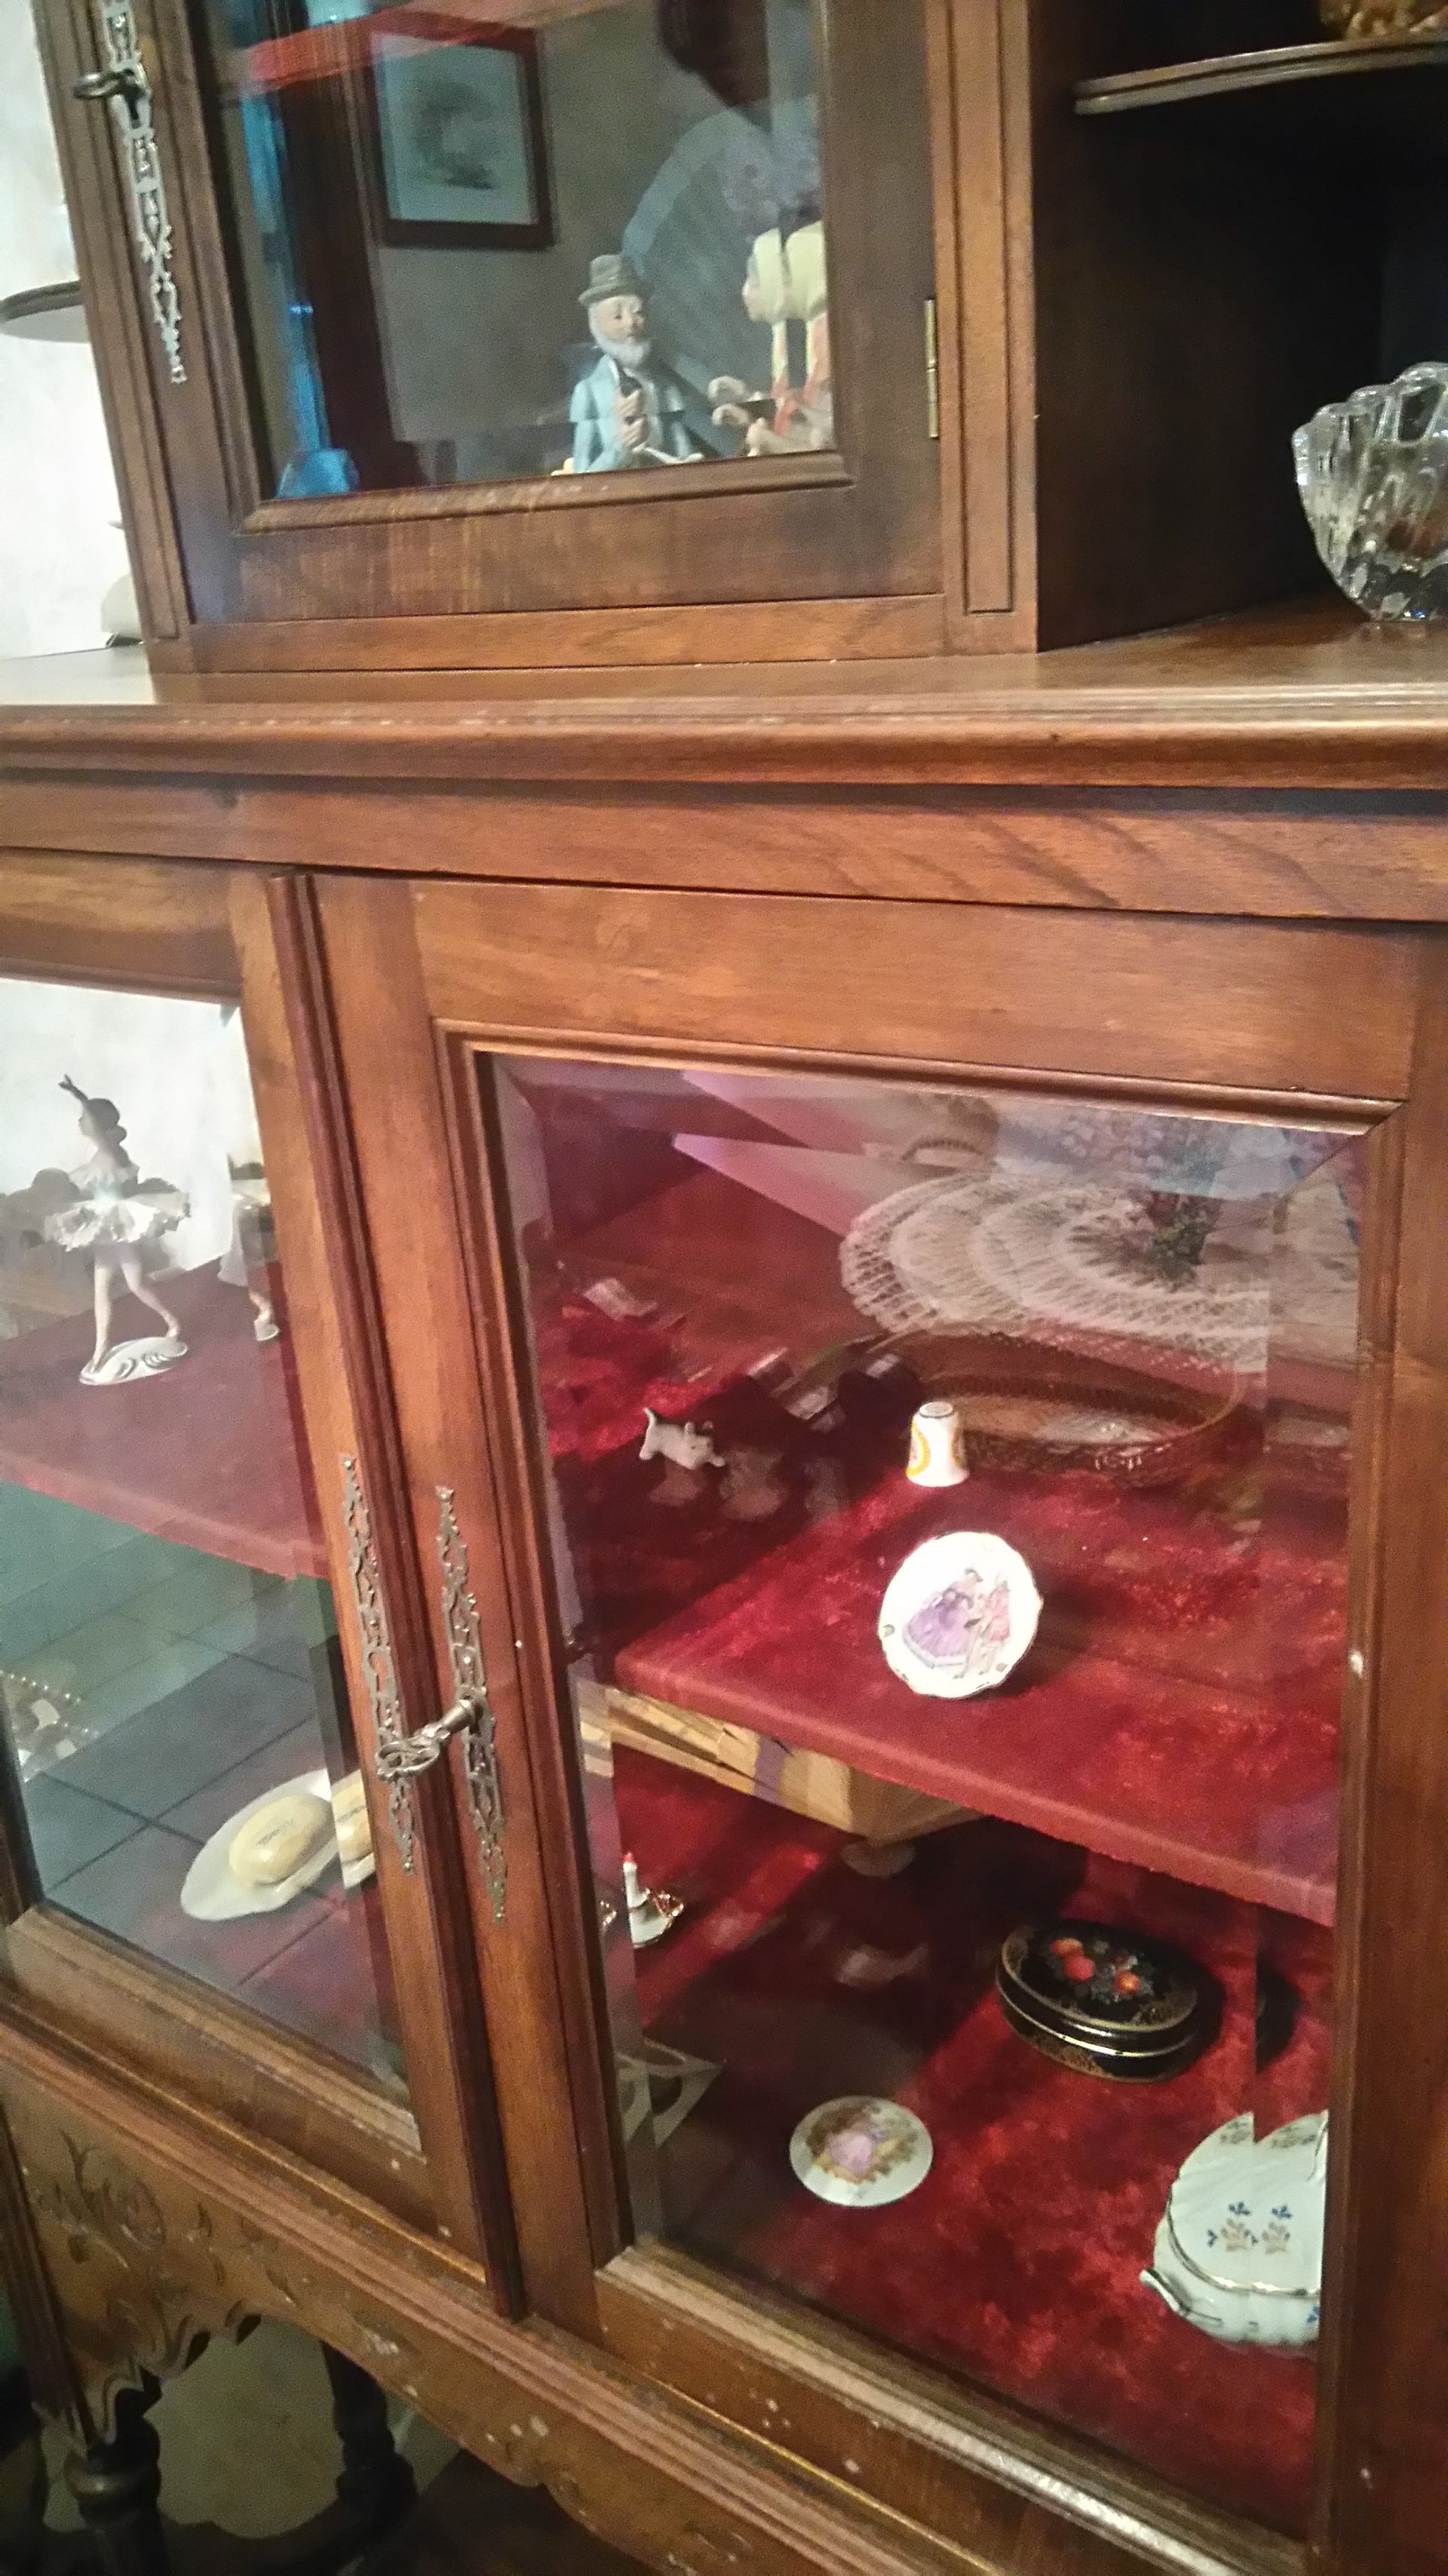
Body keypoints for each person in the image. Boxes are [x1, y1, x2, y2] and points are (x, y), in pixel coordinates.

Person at [43, 1078, 188, 1383]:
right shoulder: (104, 1150)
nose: (81, 1123)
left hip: (119, 1223)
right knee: (101, 1290)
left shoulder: (110, 1148)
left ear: (98, 1123)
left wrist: (79, 1097)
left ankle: (172, 1321)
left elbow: (95, 1124)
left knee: (136, 1284)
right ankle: (101, 1348)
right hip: (105, 1225)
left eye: (84, 1119)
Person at [567, 254, 705, 473]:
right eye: (617, 316)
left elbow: (681, 450)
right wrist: (621, 446)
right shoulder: (589, 393)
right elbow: (581, 475)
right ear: (596, 323)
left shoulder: (664, 386)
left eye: (638, 312)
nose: (631, 323)